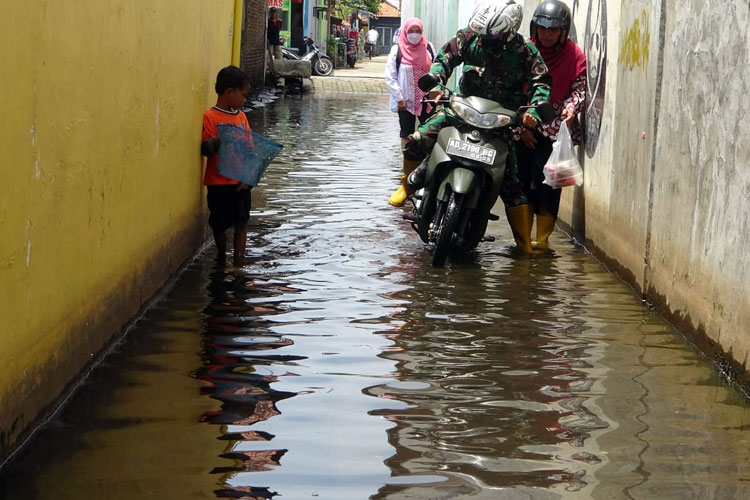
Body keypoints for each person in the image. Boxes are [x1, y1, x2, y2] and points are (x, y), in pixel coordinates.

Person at [404, 0, 552, 253]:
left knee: (512, 183)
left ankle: (525, 245)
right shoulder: (469, 37)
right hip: (462, 112)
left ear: (509, 29)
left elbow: (542, 81)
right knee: (419, 138)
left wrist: (536, 110)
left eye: (492, 34)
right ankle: (406, 186)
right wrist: (438, 83)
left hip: (501, 122)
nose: (486, 38)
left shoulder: (525, 50)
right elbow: (444, 58)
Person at [516, 0, 586, 249]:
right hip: (522, 126)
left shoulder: (574, 55)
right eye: (542, 29)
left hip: (555, 131)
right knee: (521, 185)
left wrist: (570, 108)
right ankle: (523, 240)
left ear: (563, 31)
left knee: (549, 187)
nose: (546, 34)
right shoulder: (523, 51)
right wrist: (522, 129)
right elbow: (513, 91)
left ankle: (542, 241)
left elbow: (579, 89)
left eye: (553, 30)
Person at [200, 66, 252, 267]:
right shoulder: (210, 117)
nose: (245, 100)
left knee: (241, 222)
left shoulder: (241, 118)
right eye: (243, 95)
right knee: (219, 223)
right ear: (229, 92)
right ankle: (222, 256)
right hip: (218, 183)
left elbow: (250, 151)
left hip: (240, 182)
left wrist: (247, 177)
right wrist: (218, 142)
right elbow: (205, 148)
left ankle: (239, 258)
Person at [384, 17, 436, 207]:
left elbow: (436, 71)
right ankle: (408, 174)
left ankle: (425, 169)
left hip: (426, 100)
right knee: (406, 133)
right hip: (405, 100)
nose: (415, 34)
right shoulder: (397, 50)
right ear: (406, 32)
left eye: (418, 31)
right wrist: (399, 97)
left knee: (429, 133)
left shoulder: (428, 47)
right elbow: (389, 76)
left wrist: (436, 92)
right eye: (411, 30)